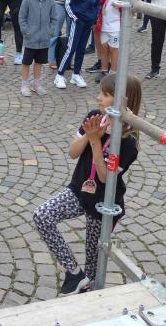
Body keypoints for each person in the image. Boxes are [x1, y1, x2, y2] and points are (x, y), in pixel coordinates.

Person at [33, 74, 142, 294]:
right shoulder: (94, 117)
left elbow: (104, 178)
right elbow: (73, 152)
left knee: (93, 265)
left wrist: (95, 141)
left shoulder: (128, 142)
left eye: (105, 94)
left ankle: (88, 293)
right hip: (79, 190)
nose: (98, 97)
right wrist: (88, 136)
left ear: (122, 101)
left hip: (103, 203)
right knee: (42, 216)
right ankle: (74, 274)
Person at [54, 0, 100, 89]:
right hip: (77, 22)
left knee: (81, 49)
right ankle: (59, 75)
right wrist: (75, 18)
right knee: (71, 48)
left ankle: (76, 74)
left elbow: (96, 4)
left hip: (87, 23)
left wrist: (93, 19)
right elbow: (67, 4)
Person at [19, 0, 58, 96]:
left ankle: (36, 83)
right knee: (26, 62)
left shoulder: (50, 0)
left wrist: (50, 31)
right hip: (30, 38)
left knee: (39, 62)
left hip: (44, 39)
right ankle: (24, 84)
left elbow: (54, 18)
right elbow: (22, 17)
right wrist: (26, 31)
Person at [95, 0, 124, 82]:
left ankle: (113, 72)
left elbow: (128, 4)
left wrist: (121, 5)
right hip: (104, 24)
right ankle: (104, 70)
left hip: (116, 25)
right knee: (104, 48)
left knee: (114, 49)